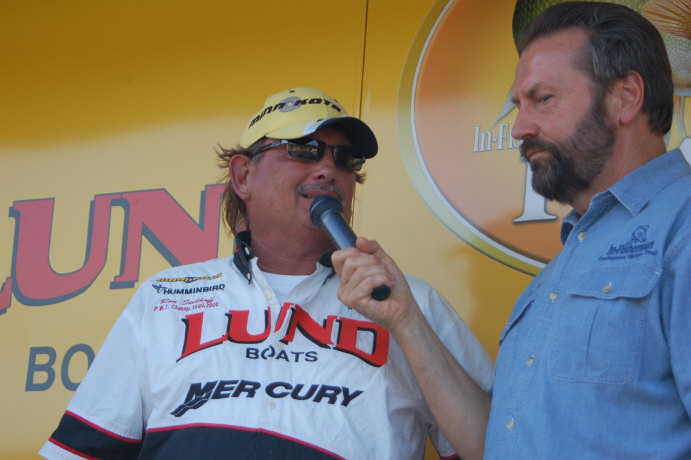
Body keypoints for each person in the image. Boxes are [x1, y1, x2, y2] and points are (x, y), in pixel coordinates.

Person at [39, 87, 493, 459]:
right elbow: (85, 451)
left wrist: (407, 323)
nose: (328, 169)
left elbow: (499, 448)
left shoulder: (410, 302)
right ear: (243, 176)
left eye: (345, 158)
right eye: (304, 150)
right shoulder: (165, 296)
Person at [332, 2, 691, 459]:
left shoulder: (681, 228)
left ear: (626, 96)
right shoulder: (562, 269)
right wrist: (405, 320)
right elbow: (495, 446)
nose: (519, 128)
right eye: (519, 105)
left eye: (544, 99)